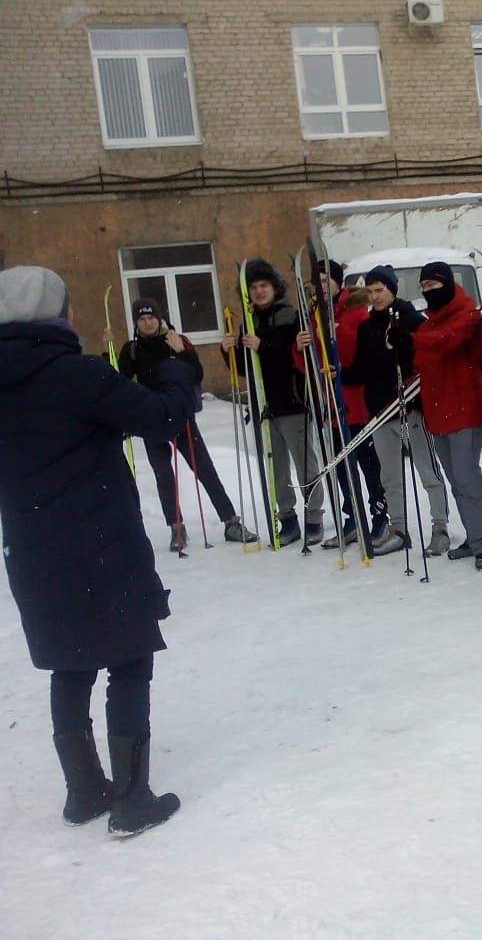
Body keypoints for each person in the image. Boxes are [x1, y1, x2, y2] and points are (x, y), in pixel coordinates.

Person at [0, 266, 185, 836]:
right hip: (101, 542)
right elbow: (161, 418)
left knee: (70, 660)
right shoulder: (78, 374)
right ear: (54, 314)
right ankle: (132, 799)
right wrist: (176, 367)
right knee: (129, 657)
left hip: (32, 550)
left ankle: (83, 790)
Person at [110, 298, 257, 550]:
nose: (147, 323)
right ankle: (176, 528)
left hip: (181, 416)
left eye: (151, 317)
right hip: (151, 420)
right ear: (136, 322)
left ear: (159, 318)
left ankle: (231, 522)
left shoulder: (177, 340)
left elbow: (197, 374)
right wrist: (109, 351)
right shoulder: (132, 349)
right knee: (163, 476)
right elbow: (119, 380)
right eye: (142, 319)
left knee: (205, 470)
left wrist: (182, 351)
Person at [340, 264, 451, 557]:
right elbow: (361, 370)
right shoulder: (366, 328)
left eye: (380, 290)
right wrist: (338, 372)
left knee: (427, 471)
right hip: (380, 412)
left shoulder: (412, 320)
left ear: (392, 290)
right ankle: (398, 529)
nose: (375, 296)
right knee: (390, 475)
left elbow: (428, 362)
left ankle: (440, 528)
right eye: (370, 291)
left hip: (412, 408)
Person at [219, 258, 325, 547]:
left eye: (263, 285)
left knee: (305, 464)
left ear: (274, 287)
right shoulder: (249, 321)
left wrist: (263, 346)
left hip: (292, 402)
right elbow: (245, 369)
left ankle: (314, 517)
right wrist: (228, 351)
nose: (259, 291)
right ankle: (288, 519)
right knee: (276, 468)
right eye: (253, 287)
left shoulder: (292, 316)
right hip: (264, 407)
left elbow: (297, 359)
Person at [412, 261, 482, 571]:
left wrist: (413, 339)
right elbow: (421, 360)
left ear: (447, 285)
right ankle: (474, 537)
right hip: (437, 412)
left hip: (464, 409)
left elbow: (450, 341)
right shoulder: (427, 326)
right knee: (455, 480)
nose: (428, 291)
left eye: (433, 285)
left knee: (467, 477)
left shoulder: (469, 316)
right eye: (424, 287)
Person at [299, 266, 388, 549]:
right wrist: (301, 346)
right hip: (331, 405)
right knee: (341, 467)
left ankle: (380, 515)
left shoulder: (356, 309)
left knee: (368, 465)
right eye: (318, 283)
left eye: (327, 281)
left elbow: (359, 352)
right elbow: (308, 365)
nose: (323, 287)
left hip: (356, 402)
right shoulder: (315, 314)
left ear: (338, 283)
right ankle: (352, 518)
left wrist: (337, 333)